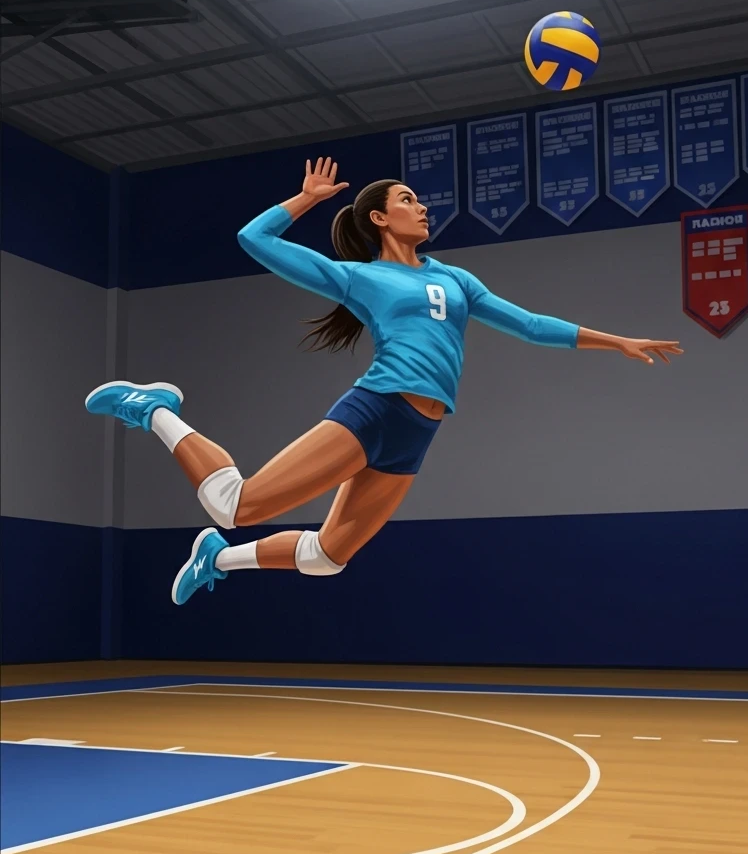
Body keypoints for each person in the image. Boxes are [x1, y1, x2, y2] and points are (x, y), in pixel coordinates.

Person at [86, 157, 683, 605]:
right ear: (380, 217)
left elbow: (528, 325)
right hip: (376, 407)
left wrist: (616, 341)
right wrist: (305, 198)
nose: (422, 207)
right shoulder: (359, 277)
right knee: (235, 504)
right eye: (409, 198)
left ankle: (219, 561)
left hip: (417, 433)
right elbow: (254, 240)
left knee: (327, 557)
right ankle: (154, 408)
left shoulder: (456, 280)